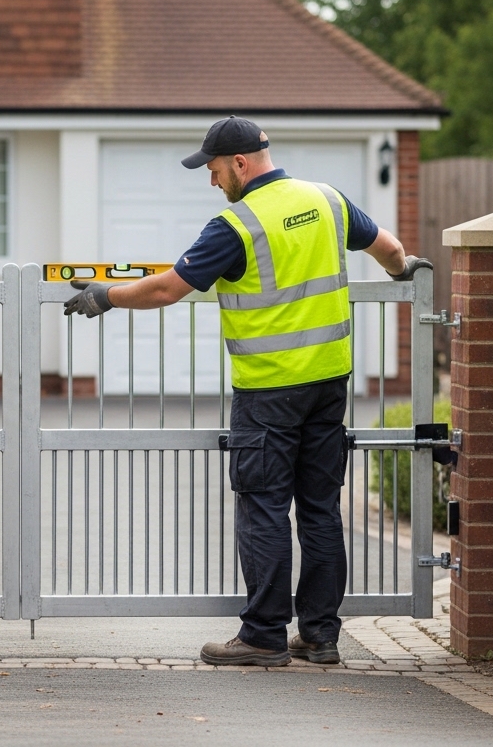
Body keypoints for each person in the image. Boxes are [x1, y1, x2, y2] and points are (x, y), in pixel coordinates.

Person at [64, 116, 430, 667]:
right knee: (321, 510)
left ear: (240, 163)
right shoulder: (327, 200)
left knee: (263, 508)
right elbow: (390, 247)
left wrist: (105, 296)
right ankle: (321, 636)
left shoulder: (237, 225)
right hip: (329, 384)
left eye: (213, 171)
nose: (212, 183)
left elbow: (167, 289)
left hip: (268, 392)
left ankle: (262, 637)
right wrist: (405, 271)